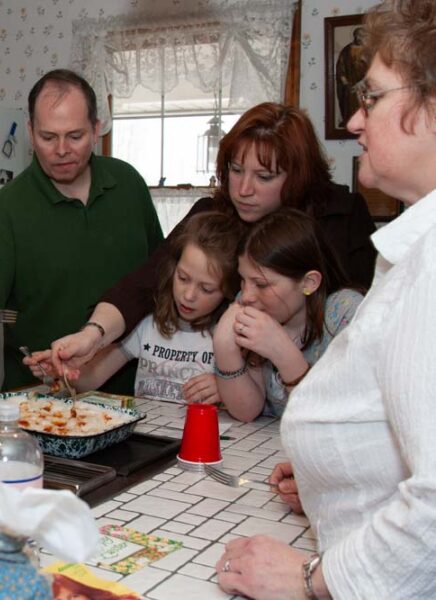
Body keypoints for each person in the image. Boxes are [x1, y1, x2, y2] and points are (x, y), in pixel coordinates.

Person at [216, 1, 436, 597]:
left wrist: (314, 578)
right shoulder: (412, 246)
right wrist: (330, 475)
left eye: (373, 98)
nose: (356, 121)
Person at [47, 102, 377, 380]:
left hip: (319, 387)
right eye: (235, 170)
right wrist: (92, 334)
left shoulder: (339, 217)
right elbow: (143, 284)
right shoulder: (211, 214)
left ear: (298, 177)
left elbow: (360, 330)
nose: (244, 189)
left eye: (264, 177)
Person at [0, 69, 163, 394]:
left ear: (96, 129)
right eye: (48, 137)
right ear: (30, 132)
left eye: (75, 136)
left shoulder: (129, 185)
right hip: (39, 396)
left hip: (132, 393)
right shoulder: (8, 207)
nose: (61, 149)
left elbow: (159, 276)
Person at [28, 212, 242, 404]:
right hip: (147, 439)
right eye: (183, 278)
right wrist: (62, 371)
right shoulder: (148, 322)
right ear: (172, 268)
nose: (189, 295)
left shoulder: (233, 336)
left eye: (206, 289)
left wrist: (226, 388)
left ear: (229, 291)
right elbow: (92, 378)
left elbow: (253, 403)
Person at [212, 209, 362, 422]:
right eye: (243, 281)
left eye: (261, 284)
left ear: (309, 283)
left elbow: (335, 419)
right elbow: (246, 411)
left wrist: (283, 353)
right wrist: (224, 347)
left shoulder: (347, 313)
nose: (246, 296)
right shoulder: (256, 306)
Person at [335, 27, 369, 127]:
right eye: (358, 35)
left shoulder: (368, 51)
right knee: (350, 105)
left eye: (362, 36)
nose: (360, 38)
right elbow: (341, 69)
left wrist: (363, 82)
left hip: (364, 84)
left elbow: (373, 69)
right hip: (350, 85)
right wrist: (346, 83)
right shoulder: (346, 51)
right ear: (354, 36)